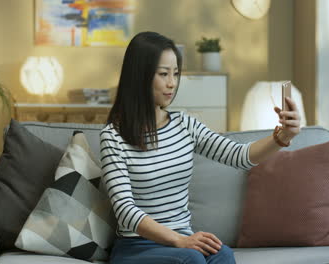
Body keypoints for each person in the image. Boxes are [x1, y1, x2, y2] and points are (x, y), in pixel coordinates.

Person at [100, 31, 301, 264]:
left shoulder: (185, 125)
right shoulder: (113, 136)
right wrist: (178, 240)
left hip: (183, 243)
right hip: (136, 246)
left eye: (175, 73)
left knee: (222, 254)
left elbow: (239, 156)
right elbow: (125, 210)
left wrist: (281, 137)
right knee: (191, 259)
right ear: (140, 76)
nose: (172, 83)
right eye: (163, 74)